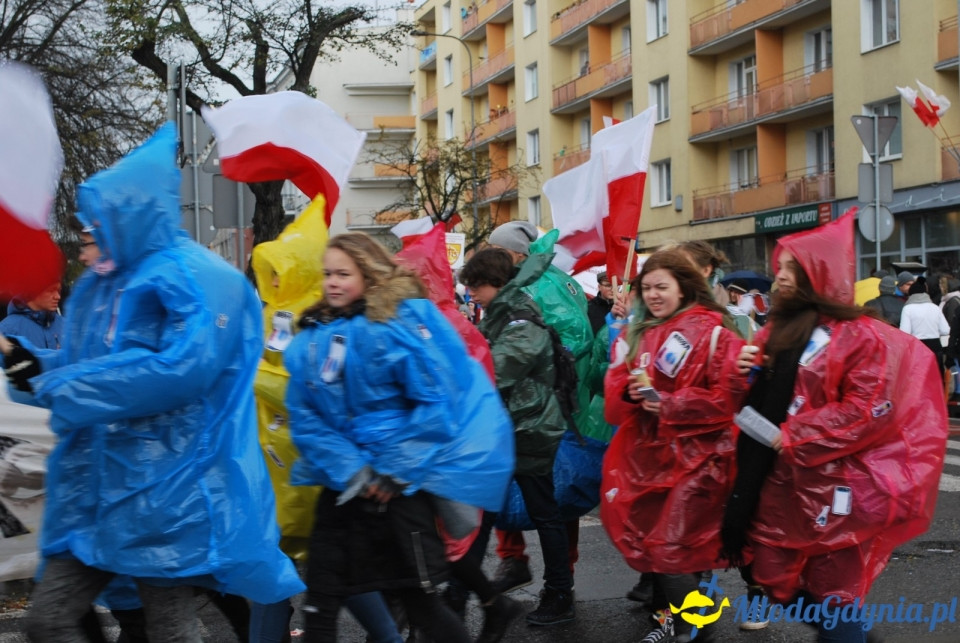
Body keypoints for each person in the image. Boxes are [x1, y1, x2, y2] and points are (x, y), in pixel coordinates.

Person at [3, 124, 304, 642]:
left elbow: (179, 371)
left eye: (90, 235)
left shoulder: (194, 276)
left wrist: (60, 385)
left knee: (169, 629)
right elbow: (88, 362)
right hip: (97, 490)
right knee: (51, 621)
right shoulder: (105, 285)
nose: (82, 251)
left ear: (128, 217)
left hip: (167, 492)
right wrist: (30, 366)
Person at [725, 212, 947, 643]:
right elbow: (749, 399)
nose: (779, 277)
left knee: (833, 594)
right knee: (771, 573)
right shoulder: (779, 329)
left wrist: (794, 435)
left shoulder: (860, 337)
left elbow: (868, 409)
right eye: (780, 267)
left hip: (838, 489)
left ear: (818, 274)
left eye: (791, 269)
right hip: (781, 485)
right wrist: (743, 372)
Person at [284, 233, 514, 643]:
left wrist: (392, 469)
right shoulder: (315, 336)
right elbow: (304, 415)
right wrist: (352, 469)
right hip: (343, 490)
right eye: (327, 274)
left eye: (343, 274)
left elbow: (435, 403)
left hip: (397, 495)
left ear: (369, 274)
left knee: (419, 602)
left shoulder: (396, 328)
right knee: (320, 601)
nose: (332, 282)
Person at [601, 248, 746, 643]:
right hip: (650, 462)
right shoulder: (640, 333)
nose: (653, 295)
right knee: (666, 548)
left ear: (683, 287)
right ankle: (681, 622)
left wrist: (670, 403)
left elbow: (728, 399)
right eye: (646, 287)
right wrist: (630, 393)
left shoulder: (717, 334)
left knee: (670, 550)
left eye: (661, 286)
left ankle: (692, 627)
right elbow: (616, 395)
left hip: (701, 462)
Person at [459, 247, 576, 626]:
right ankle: (462, 598)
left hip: (529, 433)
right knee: (484, 517)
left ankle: (559, 594)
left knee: (544, 515)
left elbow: (494, 370)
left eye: (476, 285)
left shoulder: (520, 321)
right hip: (508, 431)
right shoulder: (501, 314)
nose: (471, 293)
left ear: (497, 283)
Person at [483, 222, 594, 597]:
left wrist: (536, 367)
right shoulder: (525, 279)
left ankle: (561, 574)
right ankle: (516, 560)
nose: (489, 255)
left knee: (556, 490)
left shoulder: (544, 283)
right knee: (515, 483)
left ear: (517, 254)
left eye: (496, 249)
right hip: (525, 403)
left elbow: (575, 336)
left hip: (547, 404)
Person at [900, 276, 950, 377]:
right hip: (935, 347)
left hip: (917, 347)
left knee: (920, 378)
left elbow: (904, 332)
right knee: (936, 378)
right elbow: (945, 330)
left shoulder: (907, 309)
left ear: (911, 294)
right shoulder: (935, 308)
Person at [0, 283, 63, 350]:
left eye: (59, 291)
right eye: (51, 290)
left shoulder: (66, 326)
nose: (58, 297)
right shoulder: (6, 330)